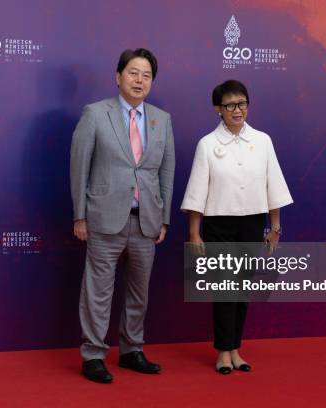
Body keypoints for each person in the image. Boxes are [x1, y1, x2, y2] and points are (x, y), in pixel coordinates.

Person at [70, 48, 175, 383]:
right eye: (133, 72)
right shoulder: (95, 114)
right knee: (98, 290)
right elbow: (79, 166)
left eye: (146, 75)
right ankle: (93, 355)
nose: (139, 80)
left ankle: (132, 351)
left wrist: (164, 217)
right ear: (118, 76)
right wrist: (79, 215)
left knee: (138, 291)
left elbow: (166, 172)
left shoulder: (162, 119)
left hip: (146, 221)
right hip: (104, 217)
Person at [180, 80, 292, 375]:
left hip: (252, 225)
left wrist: (275, 227)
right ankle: (222, 352)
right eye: (230, 105)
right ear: (218, 109)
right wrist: (194, 232)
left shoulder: (263, 141)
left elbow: (274, 186)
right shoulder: (207, 144)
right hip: (219, 224)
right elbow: (197, 192)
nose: (237, 110)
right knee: (225, 291)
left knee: (242, 290)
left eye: (242, 103)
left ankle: (236, 349)